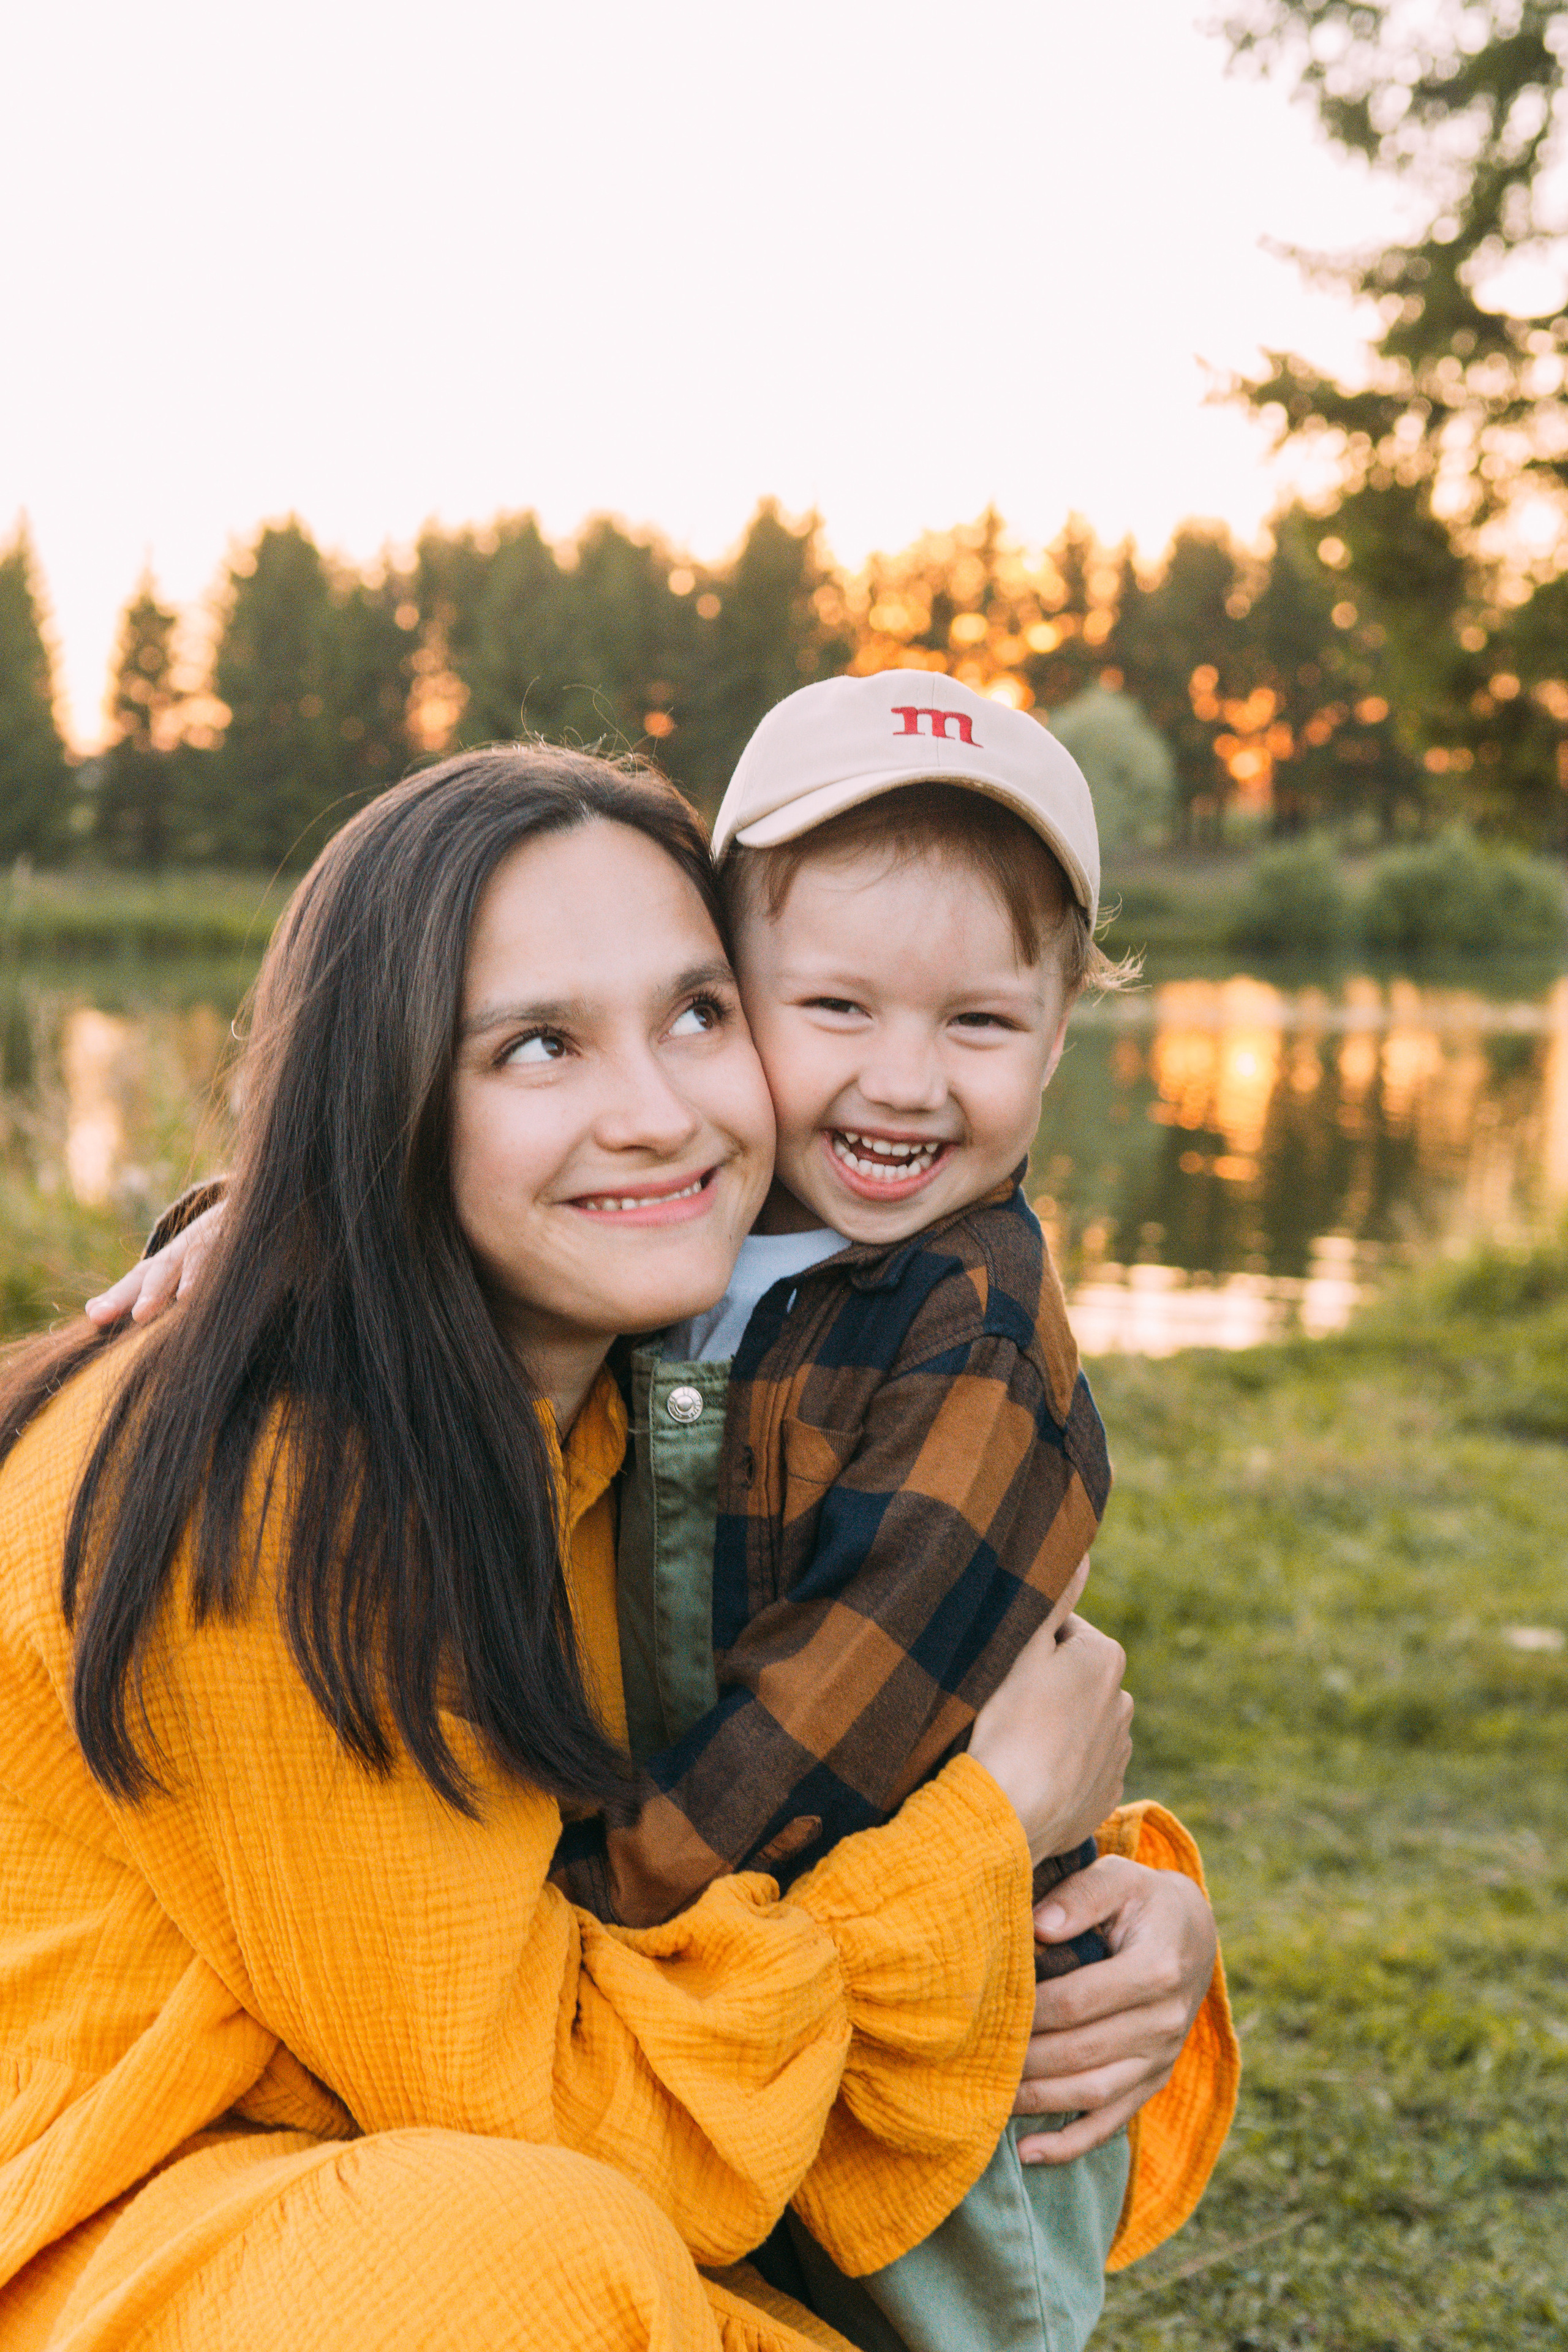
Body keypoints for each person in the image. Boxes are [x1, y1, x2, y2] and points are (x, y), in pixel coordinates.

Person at [98, 688, 1238, 2351]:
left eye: (982, 1025)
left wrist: (608, 1916)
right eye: (832, 1006)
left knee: (947, 2310)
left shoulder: (961, 1333)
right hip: (704, 2002)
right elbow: (456, 1190)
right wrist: (265, 1218)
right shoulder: (689, 1241)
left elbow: (834, 1719)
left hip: (827, 1977)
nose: (903, 1083)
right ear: (749, 989)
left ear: (1064, 1033)